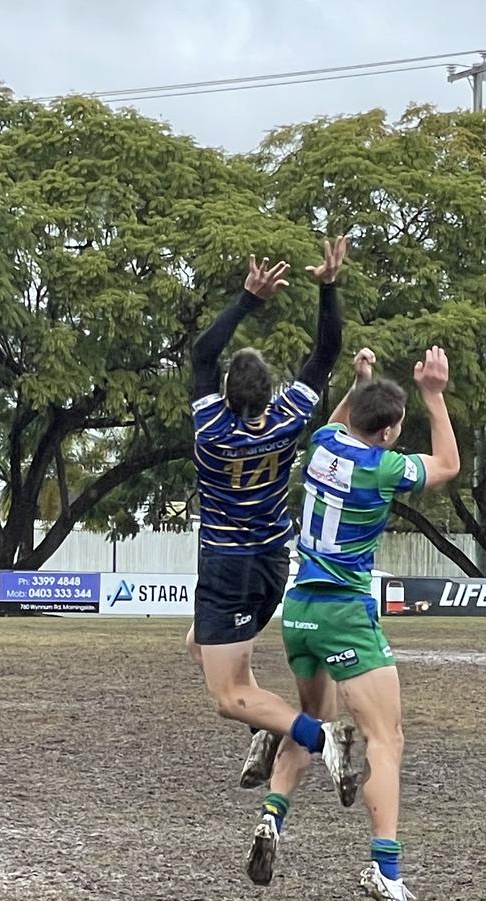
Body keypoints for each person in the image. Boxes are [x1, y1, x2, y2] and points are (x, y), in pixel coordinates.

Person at [246, 345, 460, 901]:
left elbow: (338, 422)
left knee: (311, 715)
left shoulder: (322, 448)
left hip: (299, 611)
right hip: (345, 612)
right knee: (385, 739)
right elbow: (447, 468)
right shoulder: (382, 466)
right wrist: (434, 396)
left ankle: (272, 817)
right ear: (388, 431)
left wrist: (359, 382)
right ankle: (384, 866)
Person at [186, 239, 359, 803]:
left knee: (227, 695)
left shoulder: (212, 430)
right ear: (268, 392)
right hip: (270, 561)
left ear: (227, 394)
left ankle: (318, 734)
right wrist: (328, 286)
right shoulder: (287, 420)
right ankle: (268, 727)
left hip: (227, 566)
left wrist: (246, 300)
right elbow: (325, 352)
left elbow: (201, 355)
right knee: (198, 642)